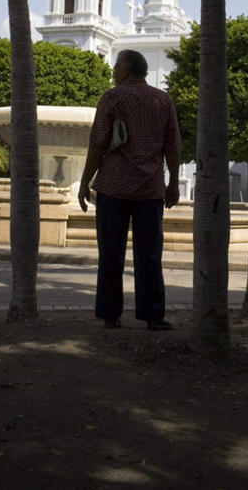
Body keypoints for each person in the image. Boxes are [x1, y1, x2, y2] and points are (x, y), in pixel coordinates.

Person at [78, 49, 181, 331]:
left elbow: (98, 143)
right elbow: (172, 145)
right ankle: (154, 316)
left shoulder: (112, 98)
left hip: (114, 188)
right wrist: (173, 182)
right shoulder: (163, 99)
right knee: (149, 255)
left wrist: (85, 181)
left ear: (124, 69)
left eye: (115, 67)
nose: (113, 71)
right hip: (150, 190)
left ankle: (110, 315)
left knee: (111, 254)